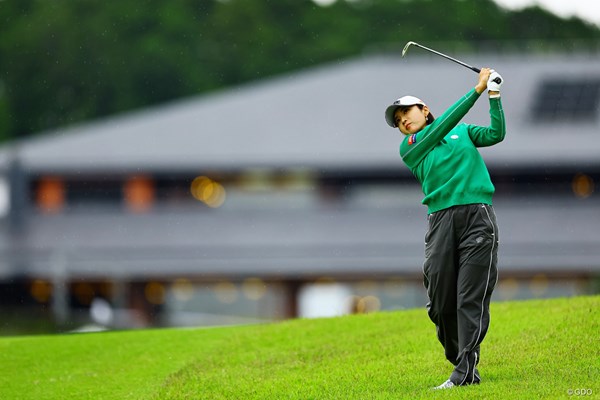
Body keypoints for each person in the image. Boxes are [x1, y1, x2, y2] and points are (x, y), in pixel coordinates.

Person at [384, 68, 505, 389]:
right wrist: (477, 89)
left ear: (424, 109)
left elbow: (496, 134)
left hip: (478, 217)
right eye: (397, 120)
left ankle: (464, 371)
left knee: (470, 298)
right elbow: (446, 123)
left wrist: (493, 95)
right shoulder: (411, 146)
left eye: (406, 112)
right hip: (440, 221)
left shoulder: (461, 130)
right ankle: (462, 359)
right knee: (439, 303)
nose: (403, 121)